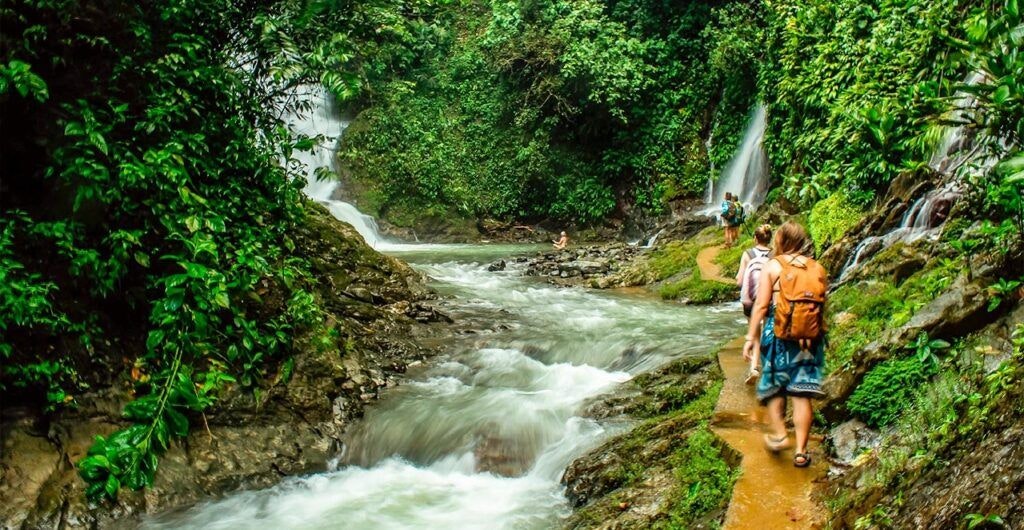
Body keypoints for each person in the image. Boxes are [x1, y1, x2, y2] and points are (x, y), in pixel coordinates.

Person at [742, 221, 827, 468]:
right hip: (809, 338)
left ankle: (780, 435)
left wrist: (750, 338)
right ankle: (801, 451)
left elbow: (760, 305)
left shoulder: (773, 266)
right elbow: (821, 304)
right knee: (801, 394)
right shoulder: (817, 268)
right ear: (802, 241)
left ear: (780, 240)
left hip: (777, 332)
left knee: (774, 388)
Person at [737, 224, 773, 384]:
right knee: (768, 331)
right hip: (769, 299)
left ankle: (754, 367)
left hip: (750, 301)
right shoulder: (774, 255)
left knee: (755, 334)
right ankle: (769, 366)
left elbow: (739, 280)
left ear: (755, 239)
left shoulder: (748, 254)